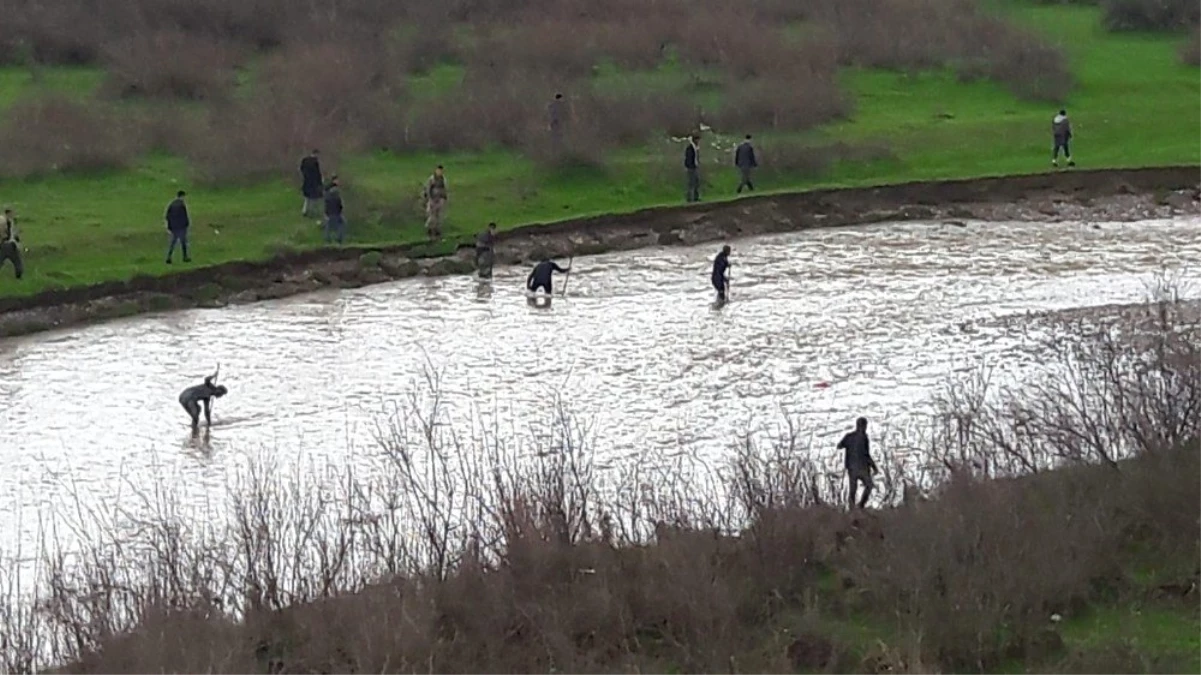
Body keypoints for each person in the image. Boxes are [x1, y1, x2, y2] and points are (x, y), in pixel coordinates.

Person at [837, 417, 879, 510]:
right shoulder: (864, 438)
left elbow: (839, 446)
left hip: (851, 468)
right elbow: (866, 454)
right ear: (864, 426)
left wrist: (848, 446)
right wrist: (874, 467)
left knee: (853, 490)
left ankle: (852, 509)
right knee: (869, 485)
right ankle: (860, 506)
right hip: (862, 468)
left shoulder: (849, 436)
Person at [165, 190, 190, 264]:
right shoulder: (181, 205)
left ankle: (169, 257)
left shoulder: (172, 204)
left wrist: (169, 226)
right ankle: (185, 257)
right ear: (182, 196)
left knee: (173, 242)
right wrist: (186, 224)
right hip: (181, 226)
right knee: (183, 242)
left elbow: (167, 216)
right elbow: (184, 216)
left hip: (174, 226)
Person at [424, 165, 449, 240]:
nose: (439, 172)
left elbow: (445, 189)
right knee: (432, 215)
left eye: (441, 171)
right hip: (433, 199)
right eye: (438, 171)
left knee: (439, 215)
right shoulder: (432, 179)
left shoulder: (443, 179)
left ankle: (437, 230)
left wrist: (445, 197)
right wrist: (429, 198)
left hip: (440, 199)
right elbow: (428, 189)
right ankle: (430, 229)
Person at [300, 149, 323, 218]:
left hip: (306, 181)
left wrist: (304, 176)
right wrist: (320, 182)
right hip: (313, 183)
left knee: (307, 198)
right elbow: (317, 173)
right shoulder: (315, 162)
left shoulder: (305, 160)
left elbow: (301, 168)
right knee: (313, 198)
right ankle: (312, 212)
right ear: (316, 154)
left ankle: (304, 211)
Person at [0, 207, 22, 280]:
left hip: (9, 244)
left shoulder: (10, 221)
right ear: (8, 213)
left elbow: (13, 232)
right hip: (6, 244)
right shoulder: (2, 221)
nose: (13, 215)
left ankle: (19, 276)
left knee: (17, 261)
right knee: (17, 261)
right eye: (11, 213)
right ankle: (18, 276)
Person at [323, 176, 345, 245]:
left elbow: (326, 206)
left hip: (329, 213)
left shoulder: (328, 197)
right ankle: (339, 239)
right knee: (342, 224)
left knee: (328, 226)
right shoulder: (337, 198)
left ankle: (327, 240)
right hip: (336, 214)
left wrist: (326, 213)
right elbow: (340, 206)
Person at [684, 133, 701, 203]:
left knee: (696, 182)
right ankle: (689, 198)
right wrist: (690, 166)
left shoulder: (696, 148)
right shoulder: (690, 148)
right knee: (691, 183)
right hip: (691, 168)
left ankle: (696, 197)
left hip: (695, 166)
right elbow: (688, 158)